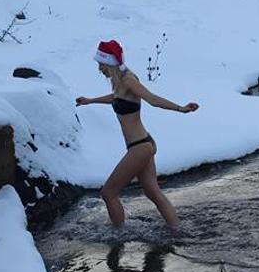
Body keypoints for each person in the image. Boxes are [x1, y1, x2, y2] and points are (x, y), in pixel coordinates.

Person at [75, 39, 199, 228]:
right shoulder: (119, 82)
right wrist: (90, 100)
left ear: (110, 63)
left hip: (140, 147)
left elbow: (152, 99)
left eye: (101, 65)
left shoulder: (128, 80)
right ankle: (177, 229)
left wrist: (180, 108)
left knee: (108, 193)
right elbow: (116, 98)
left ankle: (118, 235)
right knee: (153, 192)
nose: (100, 69)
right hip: (142, 143)